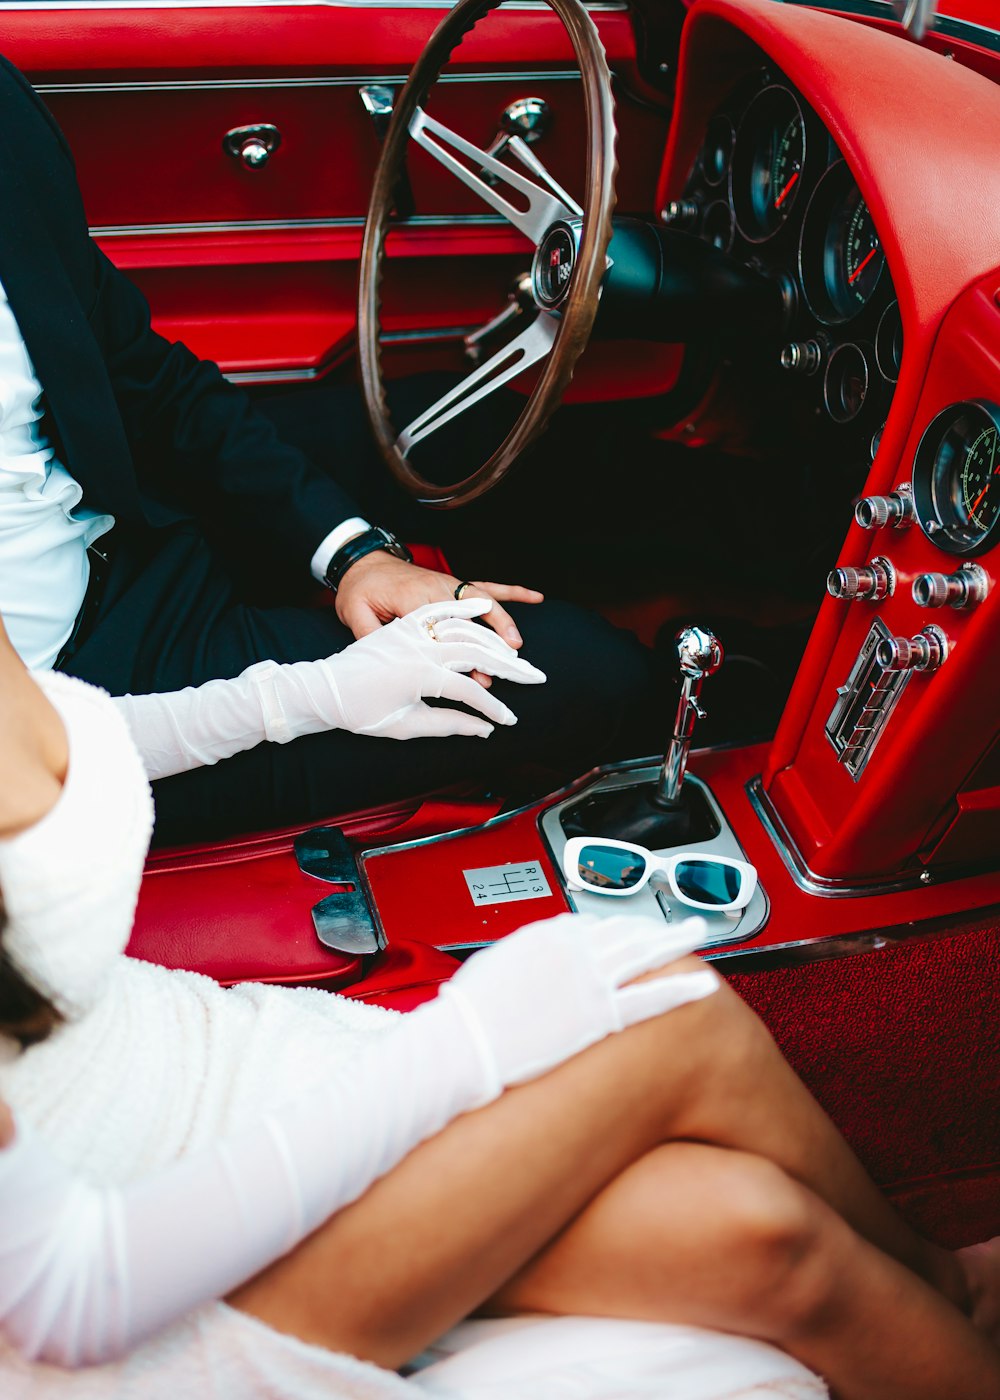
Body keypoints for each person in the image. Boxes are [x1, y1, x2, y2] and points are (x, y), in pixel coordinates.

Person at [1, 619, 998, 1399]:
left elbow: (55, 728)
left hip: (193, 1058)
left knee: (753, 1218)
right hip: (110, 1291)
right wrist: (460, 1047)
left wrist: (306, 695)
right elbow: (71, 1291)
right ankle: (945, 1282)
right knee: (680, 1038)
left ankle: (942, 1283)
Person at [0, 50, 662, 848]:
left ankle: (776, 550)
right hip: (92, 708)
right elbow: (28, 764)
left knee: (455, 436)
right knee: (590, 674)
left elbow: (136, 372)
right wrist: (313, 695)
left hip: (119, 521)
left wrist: (355, 555)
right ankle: (716, 712)